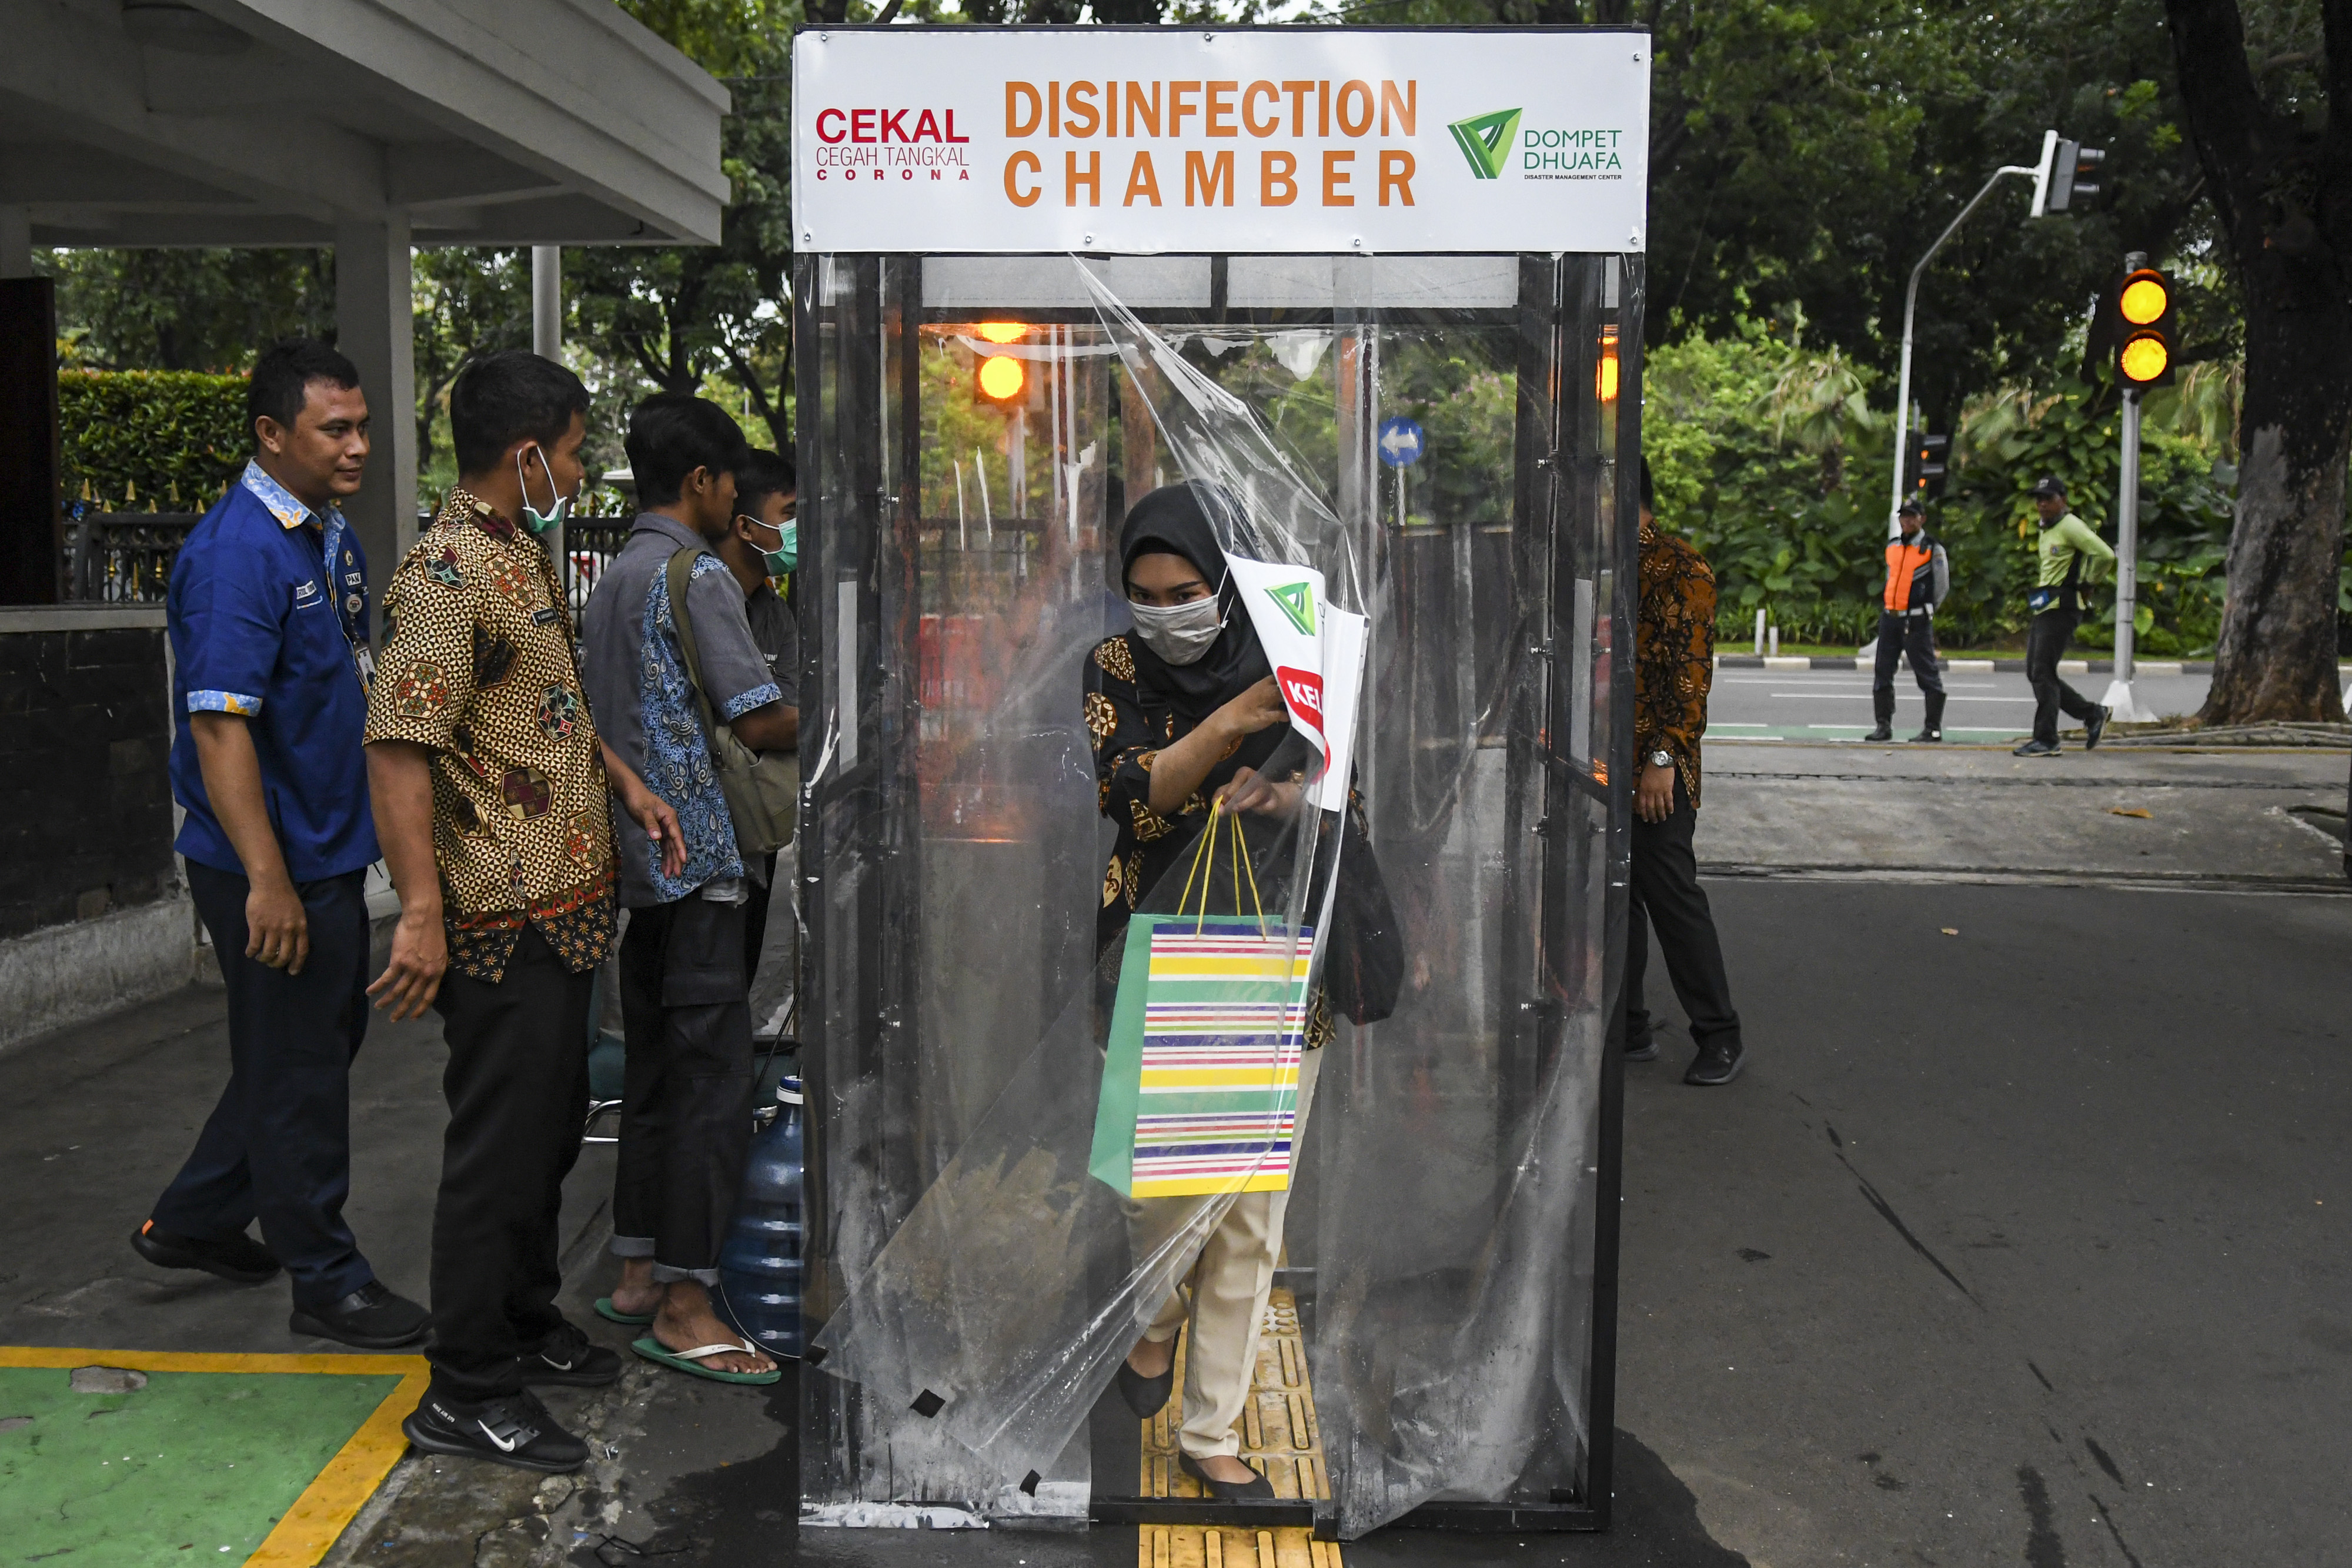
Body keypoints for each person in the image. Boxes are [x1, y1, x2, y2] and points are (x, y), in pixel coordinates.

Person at [366, 350, 683, 1473]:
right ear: (528, 453)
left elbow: (541, 705)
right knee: (497, 1154)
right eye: (580, 447)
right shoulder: (448, 572)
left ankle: (524, 1319)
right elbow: (400, 748)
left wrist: (624, 780)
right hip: (499, 915)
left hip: (566, 908)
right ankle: (464, 1383)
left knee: (548, 1135)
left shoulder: (515, 554)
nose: (585, 466)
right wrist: (418, 911)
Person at [136, 339, 429, 1350]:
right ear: (273, 435)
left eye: (360, 425)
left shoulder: (321, 532)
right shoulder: (237, 555)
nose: (357, 445)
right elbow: (221, 729)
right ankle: (327, 1278)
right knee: (301, 1065)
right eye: (335, 429)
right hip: (275, 863)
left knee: (304, 1047)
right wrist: (267, 880)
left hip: (324, 848)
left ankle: (197, 1216)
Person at [1088, 483, 1321, 1504]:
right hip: (1156, 943)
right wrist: (1235, 719)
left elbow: (1346, 772)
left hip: (1273, 939)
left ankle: (1212, 1429)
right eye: (1143, 592)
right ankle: (1154, 1312)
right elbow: (1136, 799)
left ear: (1225, 581)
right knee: (1163, 1187)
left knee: (1252, 1210)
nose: (1164, 609)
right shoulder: (1112, 668)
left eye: (1185, 589)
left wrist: (1284, 790)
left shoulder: (1292, 646)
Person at [580, 397, 794, 1385]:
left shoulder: (614, 576)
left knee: (657, 1075)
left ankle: (634, 1270)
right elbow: (755, 719)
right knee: (711, 1086)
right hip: (705, 861)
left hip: (640, 868)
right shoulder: (698, 574)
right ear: (706, 484)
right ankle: (687, 1302)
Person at [1624, 460, 1745, 1087]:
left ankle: (1719, 1033)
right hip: (1599, 763)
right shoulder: (1599, 565)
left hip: (1656, 771)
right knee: (1612, 900)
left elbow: (1691, 681)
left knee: (1670, 895)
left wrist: (1662, 760)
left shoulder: (1681, 567)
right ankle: (1629, 1026)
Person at [707, 447, 800, 989]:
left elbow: (783, 713)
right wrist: (838, 720)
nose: (795, 529)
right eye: (788, 513)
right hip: (702, 834)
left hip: (755, 828)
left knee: (738, 973)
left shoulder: (773, 611)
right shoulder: (704, 594)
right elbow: (761, 725)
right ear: (744, 524)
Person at [2014, 476, 2114, 758]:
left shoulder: (2071, 526)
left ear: (2063, 500)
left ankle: (2047, 739)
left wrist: (2089, 581)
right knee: (2036, 672)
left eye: (2048, 498)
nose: (2042, 504)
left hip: (2063, 606)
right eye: (2039, 499)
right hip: (2046, 606)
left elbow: (2105, 554)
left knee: (2043, 671)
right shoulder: (2047, 528)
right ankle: (2093, 714)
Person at [1866, 499, 1950, 743]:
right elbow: (1891, 578)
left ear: (1922, 519)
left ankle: (1932, 728)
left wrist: (1927, 609)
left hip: (1916, 621)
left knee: (1927, 674)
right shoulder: (1893, 547)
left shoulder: (1932, 548)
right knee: (1883, 672)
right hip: (1891, 618)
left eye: (1912, 516)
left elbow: (1942, 585)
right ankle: (1883, 726)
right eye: (1904, 516)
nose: (1907, 520)